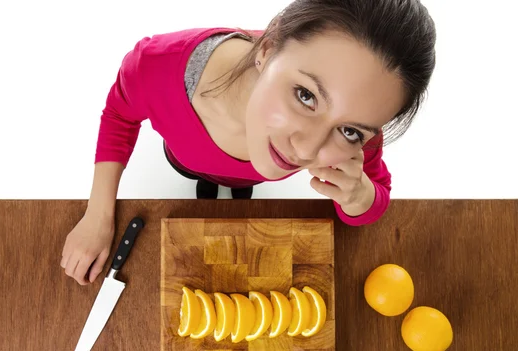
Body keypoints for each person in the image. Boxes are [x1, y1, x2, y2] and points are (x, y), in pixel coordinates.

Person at [61, 0, 437, 285]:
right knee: (199, 174)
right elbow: (119, 116)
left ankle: (240, 186)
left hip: (250, 178)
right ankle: (206, 181)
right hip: (186, 158)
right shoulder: (155, 65)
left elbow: (375, 196)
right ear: (267, 48)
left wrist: (358, 197)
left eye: (350, 131)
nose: (305, 152)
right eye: (305, 95)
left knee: (244, 183)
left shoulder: (361, 135)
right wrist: (98, 215)